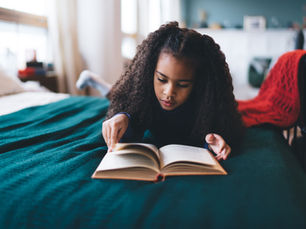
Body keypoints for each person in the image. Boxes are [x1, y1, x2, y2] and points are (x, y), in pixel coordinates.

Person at [77, 21, 245, 160]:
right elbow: (132, 121)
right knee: (116, 94)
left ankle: (97, 82)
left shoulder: (205, 104)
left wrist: (213, 142)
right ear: (150, 72)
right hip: (134, 98)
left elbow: (218, 132)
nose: (169, 92)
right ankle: (95, 81)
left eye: (183, 84)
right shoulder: (144, 92)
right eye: (162, 79)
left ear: (198, 84)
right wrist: (122, 117)